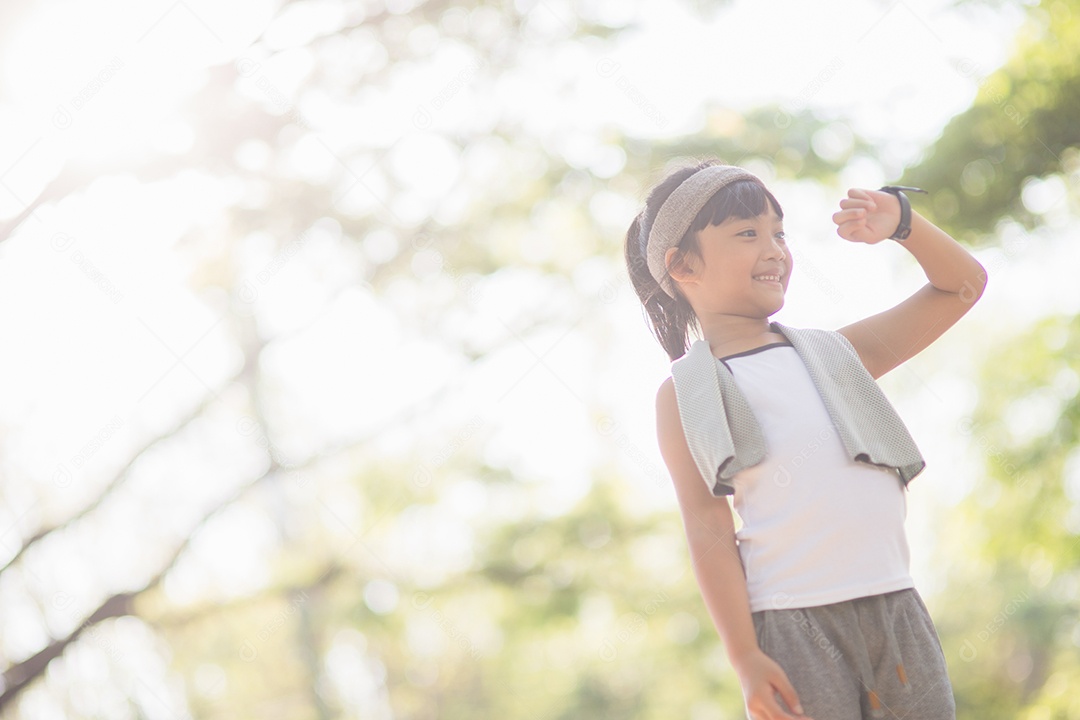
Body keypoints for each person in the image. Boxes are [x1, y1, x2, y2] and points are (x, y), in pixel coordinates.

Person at [624, 159, 987, 720]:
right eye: (748, 233)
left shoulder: (836, 355)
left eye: (779, 232)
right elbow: (708, 528)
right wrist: (745, 657)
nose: (776, 250)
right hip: (790, 626)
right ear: (683, 265)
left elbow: (963, 286)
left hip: (895, 608)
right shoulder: (684, 395)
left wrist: (903, 224)